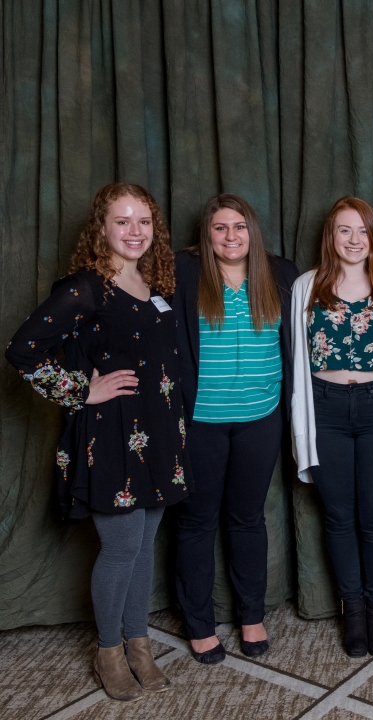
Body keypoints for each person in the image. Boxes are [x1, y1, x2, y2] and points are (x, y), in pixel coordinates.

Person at [6, 183, 189, 701]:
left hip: (158, 435)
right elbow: (22, 350)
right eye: (123, 222)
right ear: (102, 229)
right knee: (121, 547)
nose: (135, 232)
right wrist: (81, 389)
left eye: (144, 222)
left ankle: (139, 644)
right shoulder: (85, 287)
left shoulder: (154, 282)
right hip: (110, 435)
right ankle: (109, 650)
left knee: (143, 545)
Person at [173, 193, 299, 664]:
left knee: (249, 519)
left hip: (260, 418)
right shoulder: (183, 273)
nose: (231, 237)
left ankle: (251, 615)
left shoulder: (281, 274)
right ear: (207, 234)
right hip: (200, 421)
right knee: (197, 521)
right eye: (221, 228)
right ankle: (199, 623)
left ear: (253, 231)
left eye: (239, 227)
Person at [291, 197, 373, 657]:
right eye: (345, 230)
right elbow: (295, 357)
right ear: (331, 237)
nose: (354, 239)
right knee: (340, 517)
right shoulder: (307, 288)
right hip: (326, 409)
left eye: (363, 231)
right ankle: (353, 610)